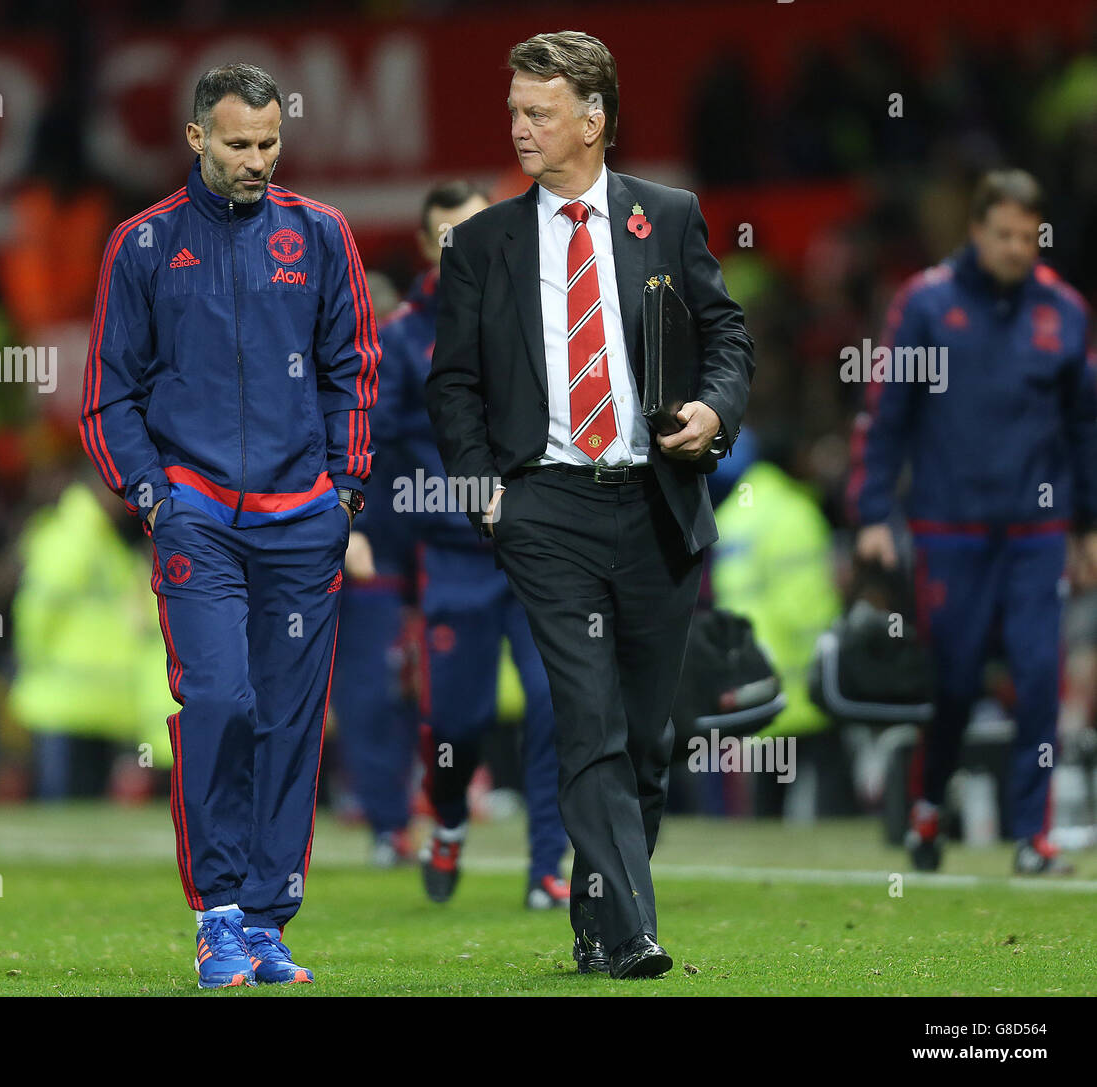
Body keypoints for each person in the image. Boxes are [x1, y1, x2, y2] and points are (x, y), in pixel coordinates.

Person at [426, 31, 753, 978]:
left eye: (539, 111)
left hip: (656, 501)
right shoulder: (480, 244)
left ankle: (597, 914)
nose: (520, 127)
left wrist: (713, 409)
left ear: (592, 118)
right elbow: (453, 385)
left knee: (649, 738)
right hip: (546, 511)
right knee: (589, 719)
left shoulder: (669, 216)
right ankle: (634, 935)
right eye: (516, 110)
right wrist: (487, 490)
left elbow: (728, 336)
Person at [80, 63, 379, 987]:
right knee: (219, 701)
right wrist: (152, 496)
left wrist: (347, 493)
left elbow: (354, 371)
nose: (257, 160)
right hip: (197, 515)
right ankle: (217, 913)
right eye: (239, 144)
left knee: (291, 724)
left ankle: (266, 918)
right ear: (195, 139)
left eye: (270, 143)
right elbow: (106, 397)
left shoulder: (322, 234)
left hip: (303, 519)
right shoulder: (141, 247)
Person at [849, 168, 1097, 876]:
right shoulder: (926, 304)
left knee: (1040, 677)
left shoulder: (1064, 310)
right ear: (977, 231)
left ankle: (1032, 837)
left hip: (1036, 531)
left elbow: (1086, 427)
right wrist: (871, 512)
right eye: (1005, 234)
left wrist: (1088, 525)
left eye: (1029, 235)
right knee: (954, 679)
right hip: (948, 528)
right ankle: (929, 806)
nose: (1019, 248)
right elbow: (884, 412)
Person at [376, 180, 570, 908]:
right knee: (458, 721)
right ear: (428, 247)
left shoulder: (539, 311)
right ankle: (450, 818)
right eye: (447, 235)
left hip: (535, 547)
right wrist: (374, 533)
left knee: (556, 700)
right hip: (453, 555)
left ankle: (547, 864)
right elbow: (380, 448)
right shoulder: (400, 339)